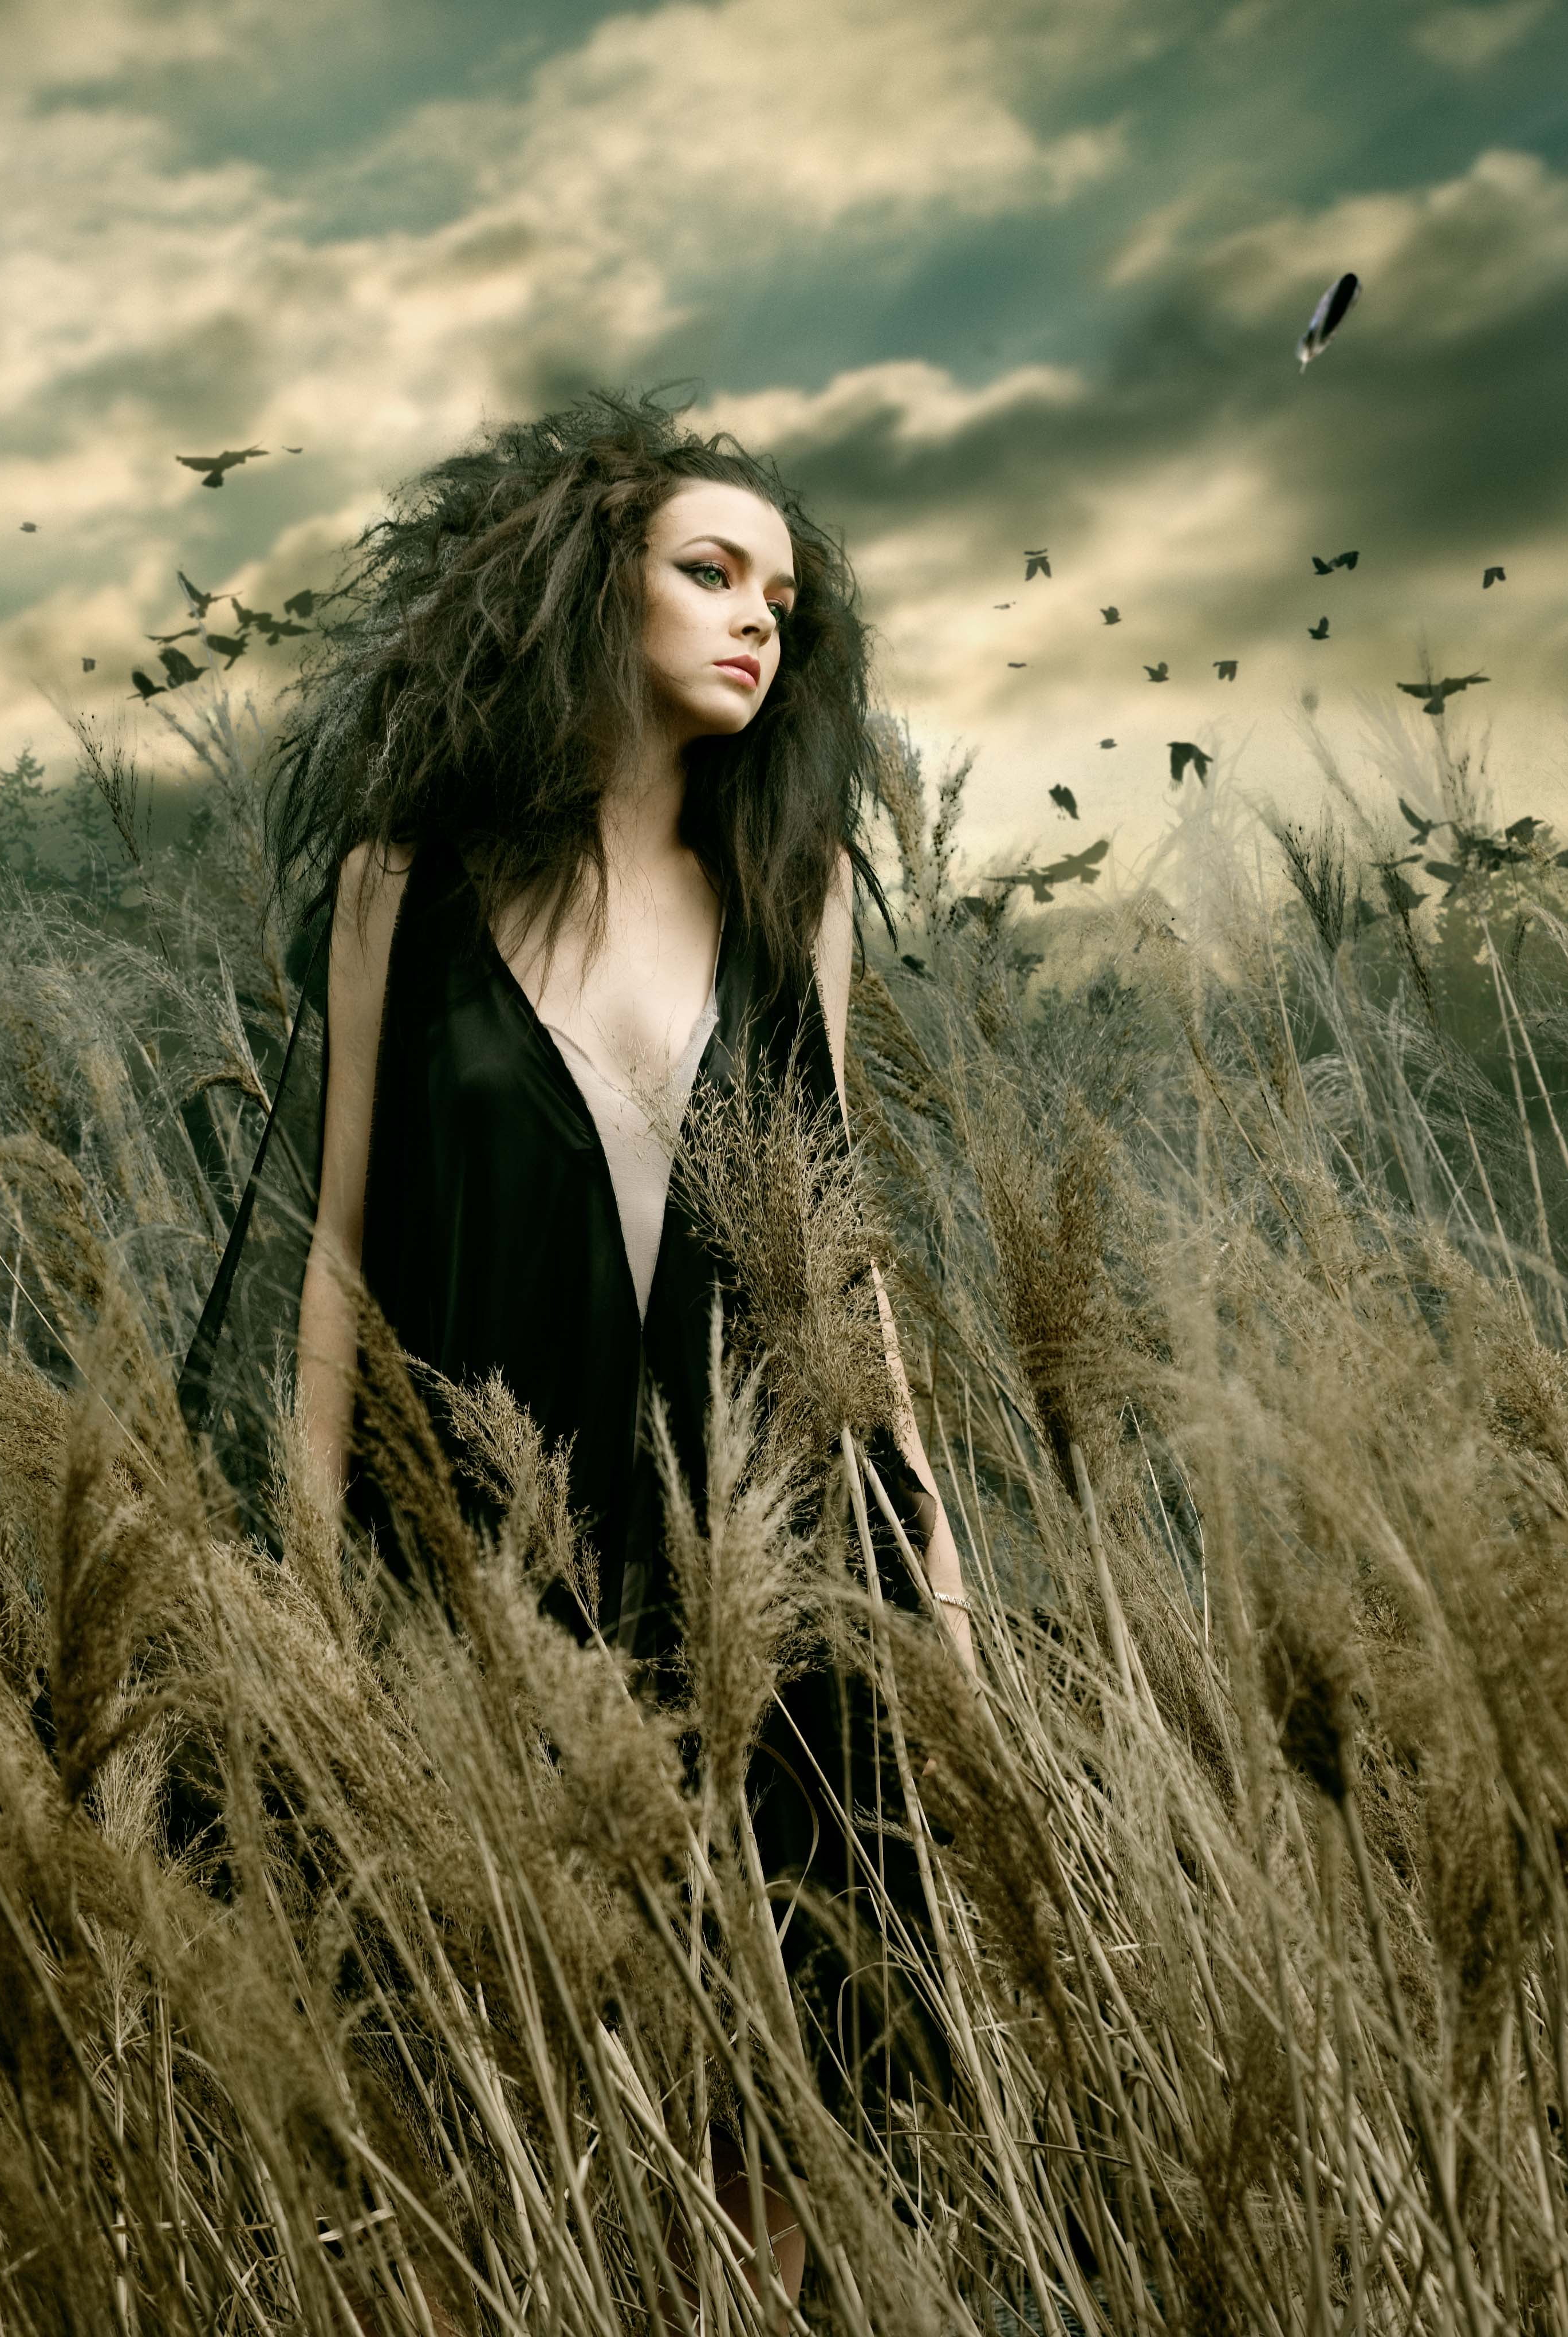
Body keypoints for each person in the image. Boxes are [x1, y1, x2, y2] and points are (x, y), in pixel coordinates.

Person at [272, 391, 974, 2313]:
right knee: (490, 2031)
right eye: (712, 571)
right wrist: (312, 1577)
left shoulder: (800, 888)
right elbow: (334, 1261)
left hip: (774, 1523)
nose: (761, 618)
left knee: (791, 2045)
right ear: (600, 589)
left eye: (783, 596)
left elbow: (847, 1257)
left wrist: (938, 1554)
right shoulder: (401, 888)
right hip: (503, 1534)